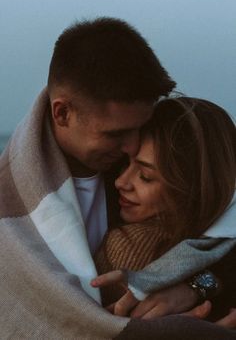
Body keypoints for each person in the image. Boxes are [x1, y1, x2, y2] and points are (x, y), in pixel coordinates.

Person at [0, 17, 235, 339]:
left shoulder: (131, 163)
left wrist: (197, 286)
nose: (132, 145)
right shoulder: (8, 211)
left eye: (139, 128)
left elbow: (221, 225)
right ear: (62, 113)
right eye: (116, 134)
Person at [92, 97, 236, 322]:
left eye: (145, 177)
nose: (121, 181)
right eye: (125, 163)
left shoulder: (131, 245)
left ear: (192, 188)